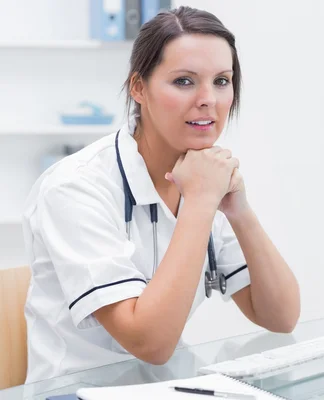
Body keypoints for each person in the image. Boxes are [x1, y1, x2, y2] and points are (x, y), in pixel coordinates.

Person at [21, 6, 300, 383]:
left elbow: (280, 317)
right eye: (184, 81)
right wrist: (201, 204)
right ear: (139, 88)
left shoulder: (204, 178)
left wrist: (239, 209)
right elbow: (150, 343)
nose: (208, 99)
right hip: (78, 392)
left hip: (169, 387)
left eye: (222, 80)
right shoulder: (75, 187)